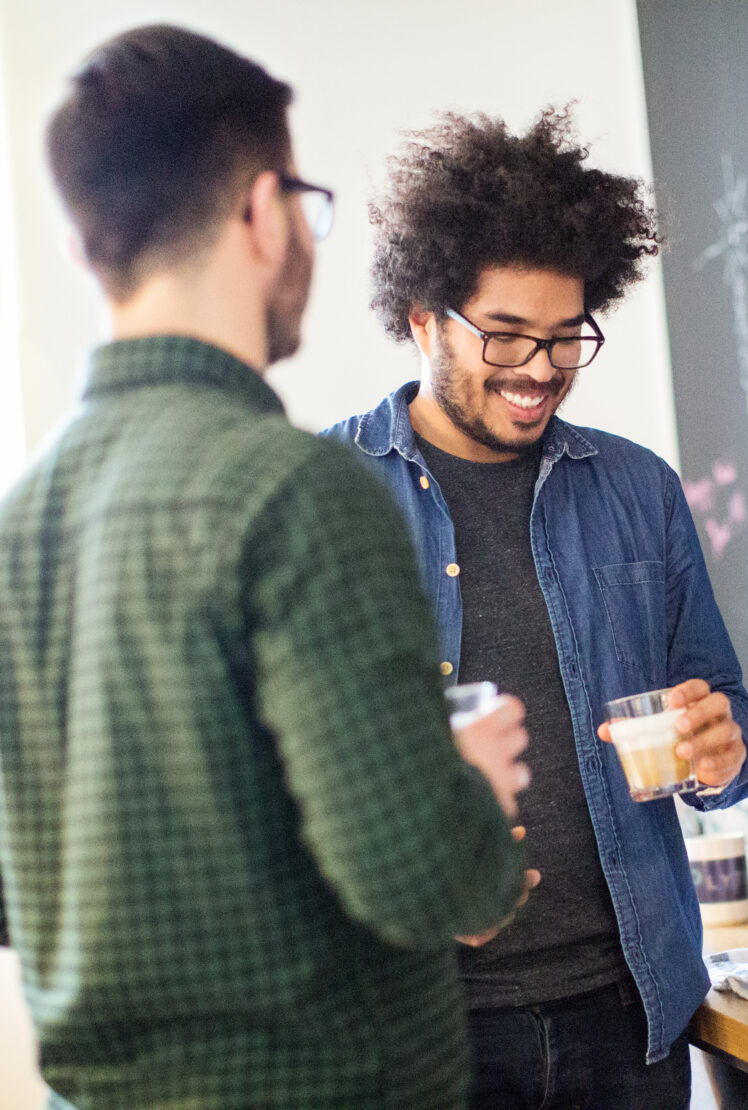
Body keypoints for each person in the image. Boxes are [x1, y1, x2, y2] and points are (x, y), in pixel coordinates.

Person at [0, 26, 529, 1110]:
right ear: (261, 209)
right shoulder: (299, 493)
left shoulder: (17, 527)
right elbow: (426, 878)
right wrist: (461, 781)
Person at [322, 107, 748, 1109]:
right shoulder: (323, 491)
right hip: (419, 1027)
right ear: (423, 318)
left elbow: (726, 724)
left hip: (627, 1015)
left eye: (566, 339)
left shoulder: (639, 490)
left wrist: (719, 751)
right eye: (506, 336)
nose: (539, 371)